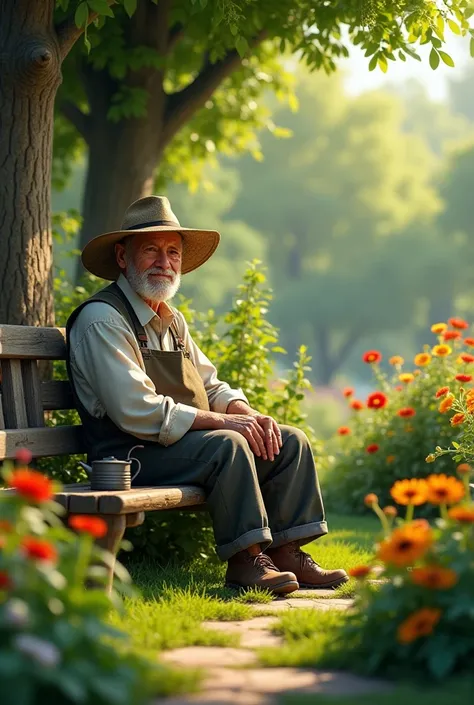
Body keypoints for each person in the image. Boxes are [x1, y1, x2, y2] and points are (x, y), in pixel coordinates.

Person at [67, 195, 348, 595]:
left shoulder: (172, 319)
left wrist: (243, 411)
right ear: (123, 257)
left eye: (173, 252)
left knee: (287, 441)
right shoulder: (102, 319)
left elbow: (210, 385)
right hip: (126, 456)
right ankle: (246, 562)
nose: (165, 262)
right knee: (228, 445)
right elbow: (136, 410)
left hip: (174, 447)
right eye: (151, 250)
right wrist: (226, 423)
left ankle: (287, 552)